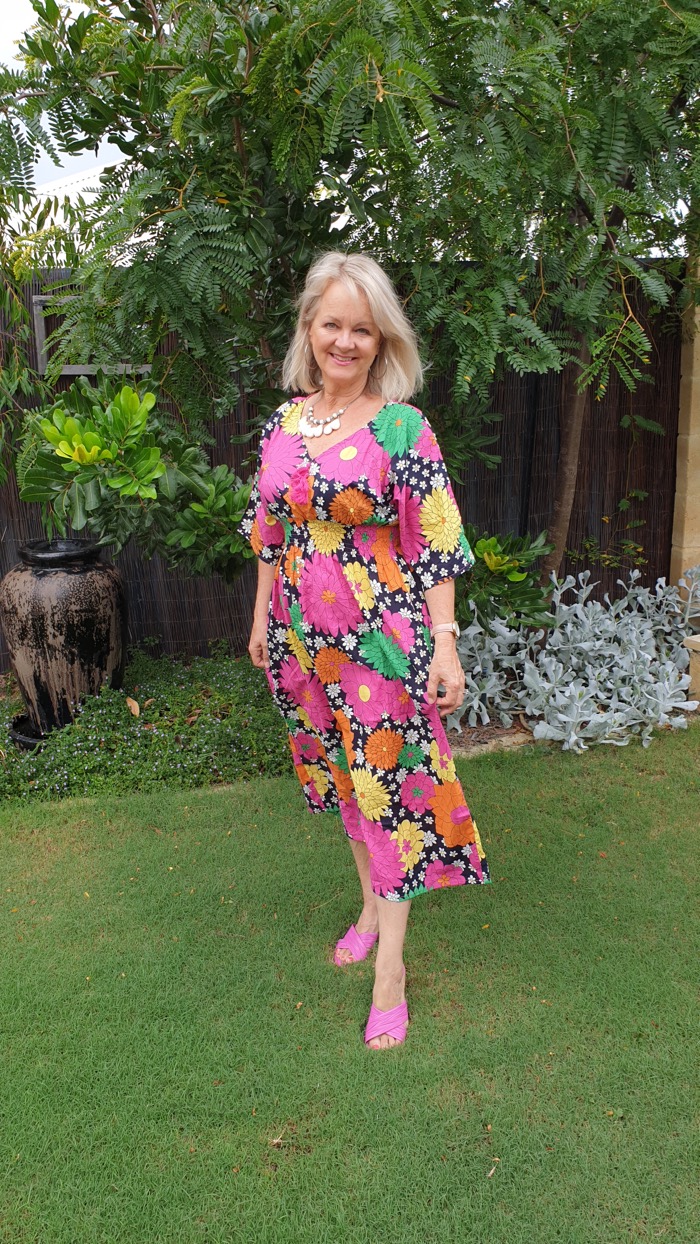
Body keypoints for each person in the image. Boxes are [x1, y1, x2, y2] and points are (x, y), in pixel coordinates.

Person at [241, 252, 489, 1050]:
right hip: (301, 643)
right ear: (309, 330)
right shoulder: (283, 424)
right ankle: (368, 910)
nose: (344, 341)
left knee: (387, 787)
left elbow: (436, 542)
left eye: (361, 328)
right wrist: (258, 621)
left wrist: (445, 647)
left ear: (381, 339)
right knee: (349, 781)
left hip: (380, 644)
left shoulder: (402, 427)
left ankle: (393, 970)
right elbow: (270, 536)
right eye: (331, 324)